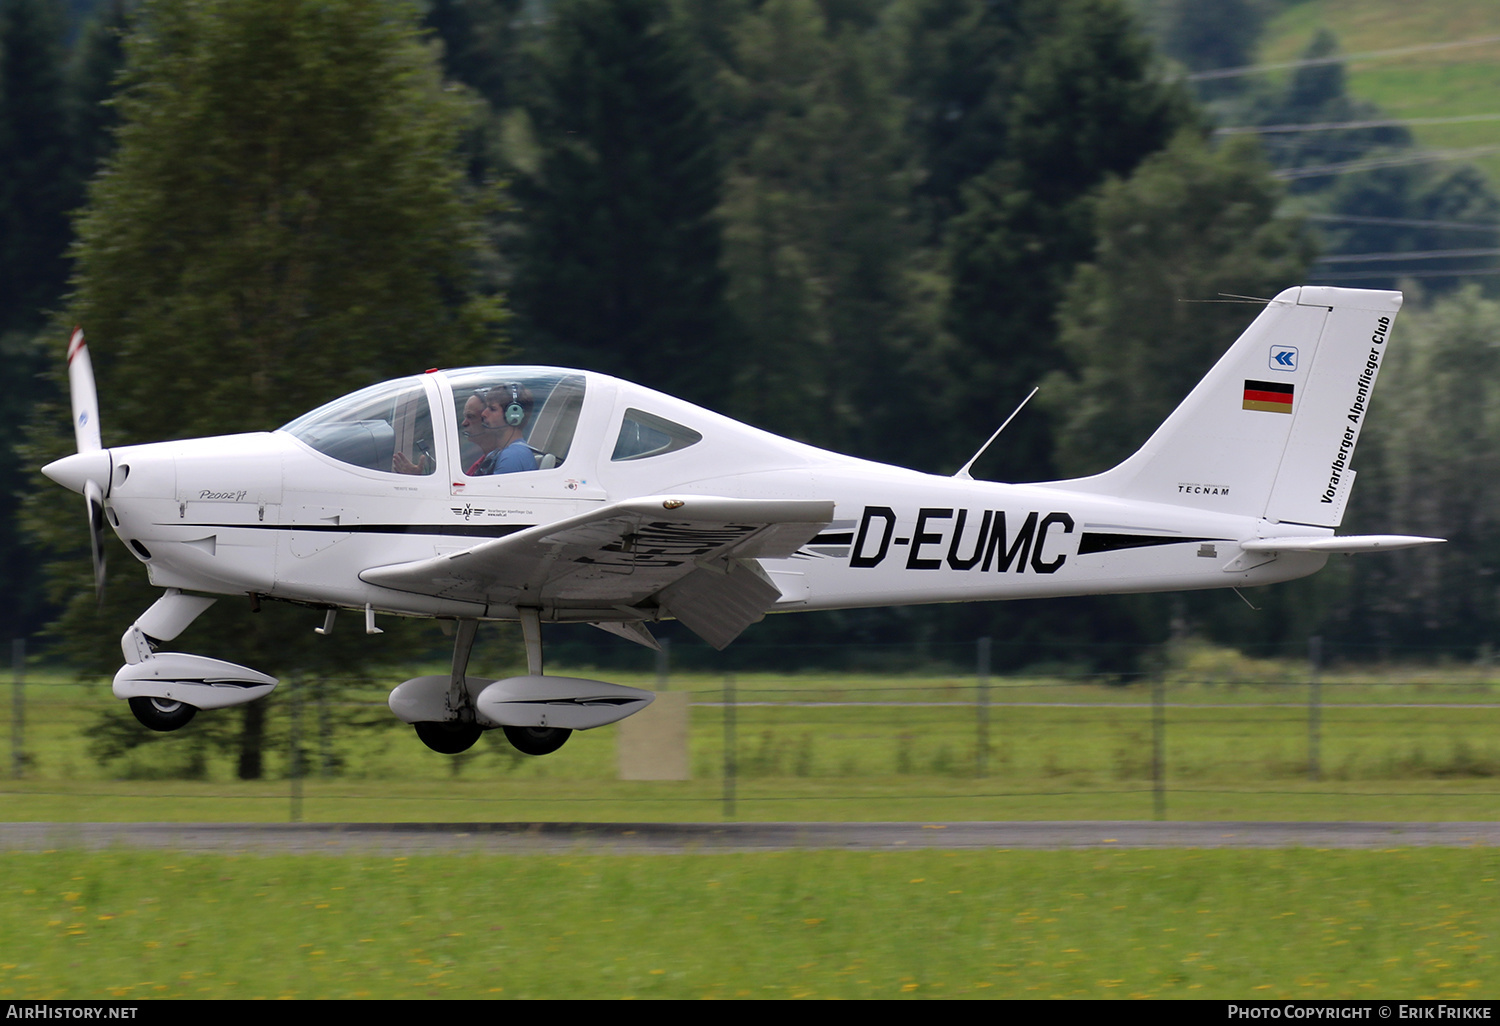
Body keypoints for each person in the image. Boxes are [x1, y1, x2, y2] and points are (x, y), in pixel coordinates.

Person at [471, 382, 536, 475]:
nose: (484, 414)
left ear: (513, 415)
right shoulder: (497, 453)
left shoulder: (513, 456)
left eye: (492, 409)